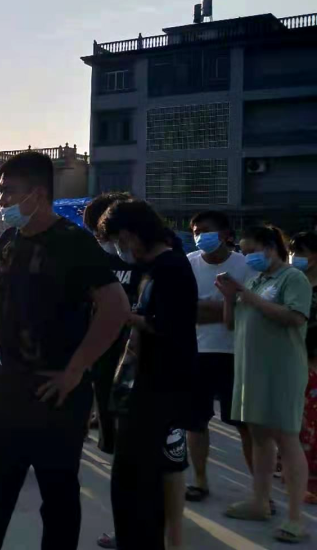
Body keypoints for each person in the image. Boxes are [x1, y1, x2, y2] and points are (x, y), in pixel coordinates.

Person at [0, 152, 129, 550]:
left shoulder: (74, 242)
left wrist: (76, 370)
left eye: (9, 192)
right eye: (0, 192)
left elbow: (116, 307)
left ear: (37, 194)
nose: (2, 201)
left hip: (58, 391)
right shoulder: (9, 241)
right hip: (11, 386)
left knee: (58, 494)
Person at [99, 200, 197, 550]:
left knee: (143, 481)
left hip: (160, 388)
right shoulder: (148, 267)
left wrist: (126, 316)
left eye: (119, 240)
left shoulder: (172, 267)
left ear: (132, 233)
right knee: (128, 477)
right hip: (137, 384)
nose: (120, 248)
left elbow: (170, 325)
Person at [217, 225, 312, 544]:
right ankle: (259, 501)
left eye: (251, 251)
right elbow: (231, 323)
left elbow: (295, 317)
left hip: (282, 371)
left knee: (287, 440)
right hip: (250, 371)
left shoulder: (292, 278)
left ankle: (295, 518)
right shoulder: (255, 281)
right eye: (244, 252)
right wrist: (230, 297)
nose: (247, 257)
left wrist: (248, 297)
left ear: (271, 247)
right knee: (259, 438)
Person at [185, 210, 255, 502]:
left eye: (206, 230)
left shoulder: (246, 265)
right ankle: (200, 481)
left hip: (236, 354)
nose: (200, 236)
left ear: (226, 234)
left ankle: (260, 490)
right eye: (196, 231)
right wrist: (228, 307)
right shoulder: (188, 263)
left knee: (245, 425)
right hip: (197, 353)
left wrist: (210, 309)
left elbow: (251, 311)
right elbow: (184, 311)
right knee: (195, 422)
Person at [81, 192, 139, 457]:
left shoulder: (145, 259)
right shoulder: (94, 258)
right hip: (102, 349)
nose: (99, 237)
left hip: (137, 351)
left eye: (101, 231)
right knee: (103, 395)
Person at [290, 232, 317, 503]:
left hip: (313, 364)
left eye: (301, 252)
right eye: (292, 252)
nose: (294, 258)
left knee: (311, 423)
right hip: (292, 360)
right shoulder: (290, 283)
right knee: (296, 422)